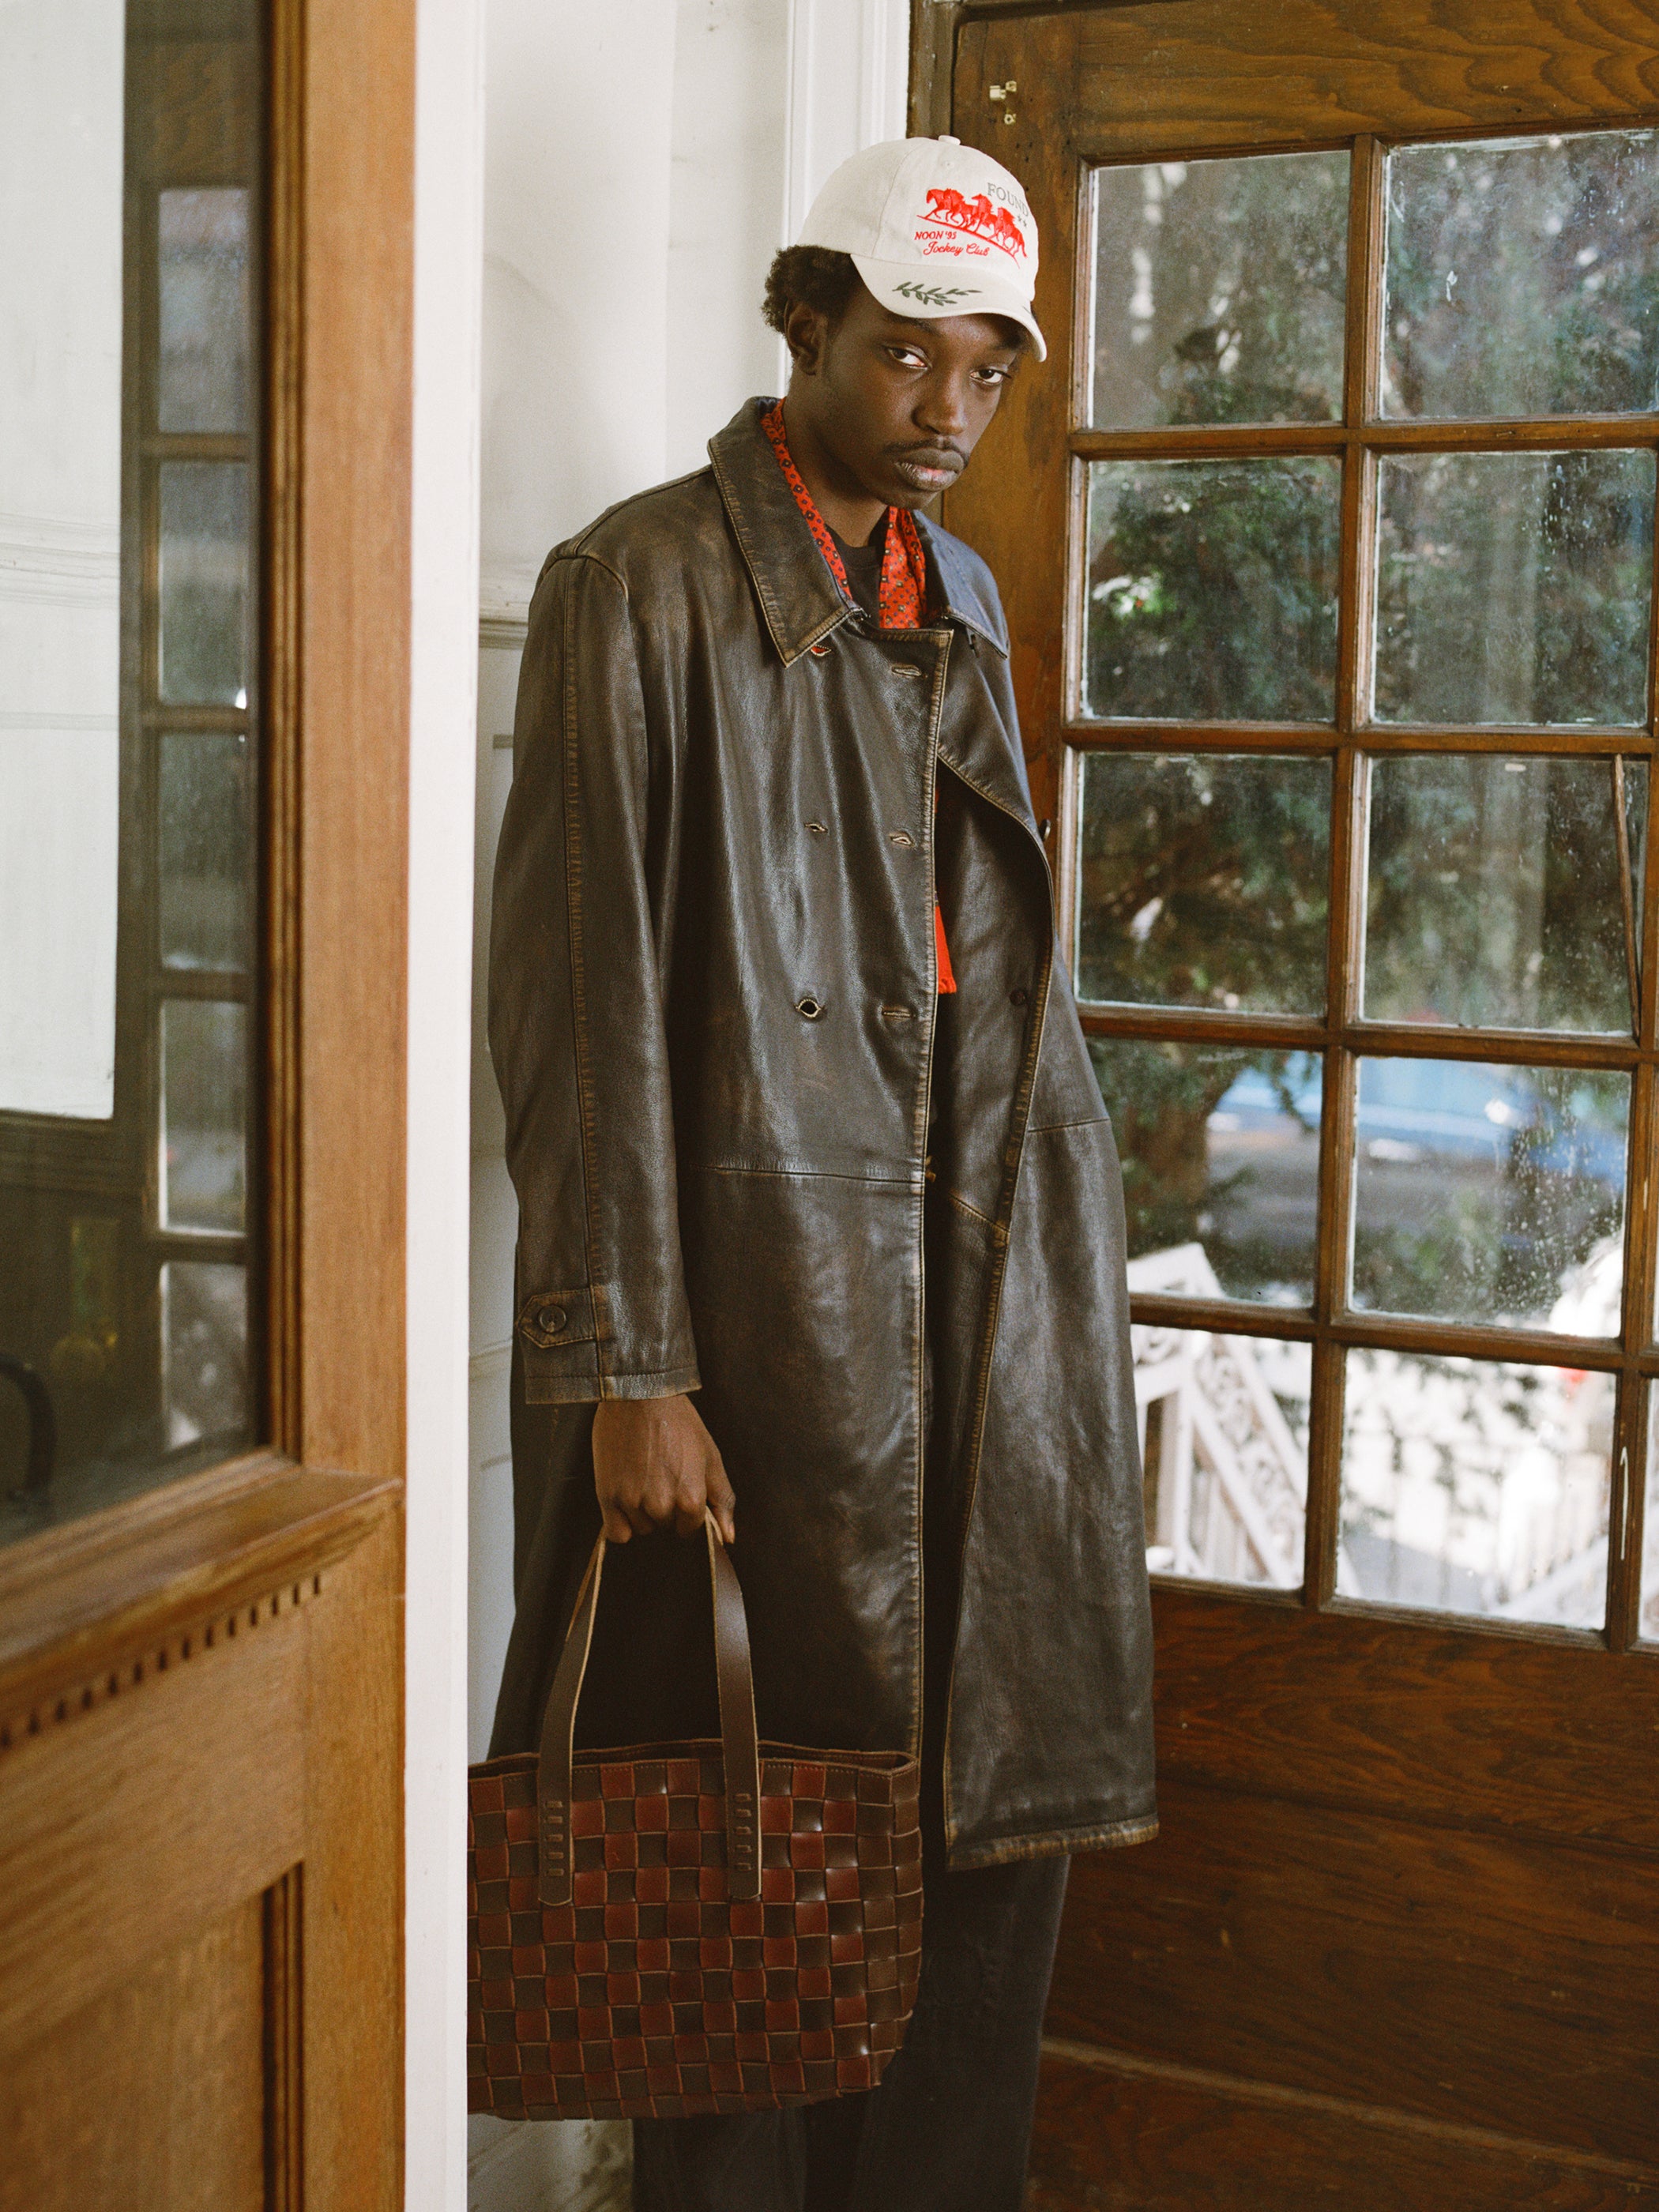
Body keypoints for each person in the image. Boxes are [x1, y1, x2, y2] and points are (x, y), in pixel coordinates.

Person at [487, 134, 1156, 2211]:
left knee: (974, 1822)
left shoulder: (950, 591)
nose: (943, 414)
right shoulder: (639, 585)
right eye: (900, 357)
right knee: (740, 1865)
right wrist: (626, 1361)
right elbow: (573, 990)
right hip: (754, 1323)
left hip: (969, 1299)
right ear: (800, 324)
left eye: (981, 370)